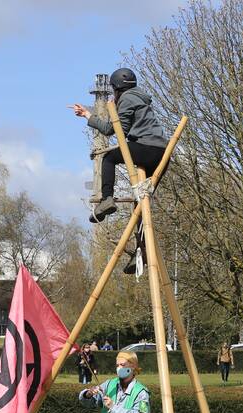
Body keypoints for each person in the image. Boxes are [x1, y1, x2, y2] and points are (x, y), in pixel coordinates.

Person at [70, 68, 168, 274]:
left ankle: (107, 199)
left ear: (116, 88)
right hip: (161, 153)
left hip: (146, 147)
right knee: (141, 203)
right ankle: (141, 252)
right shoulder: (141, 98)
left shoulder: (126, 100)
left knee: (109, 158)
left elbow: (111, 130)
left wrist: (88, 115)